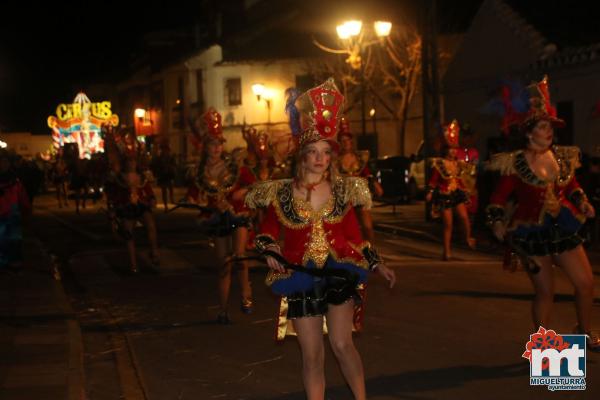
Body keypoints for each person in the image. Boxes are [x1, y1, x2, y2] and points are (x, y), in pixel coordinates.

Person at [245, 79, 396, 400]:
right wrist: (269, 247)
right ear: (301, 156)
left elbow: (355, 236)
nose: (320, 158)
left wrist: (377, 263)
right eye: (313, 152)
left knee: (342, 344)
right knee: (312, 354)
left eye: (326, 152)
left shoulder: (344, 190)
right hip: (300, 277)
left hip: (338, 273)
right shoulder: (282, 192)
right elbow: (267, 231)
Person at [486, 76, 599, 351]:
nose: (548, 130)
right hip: (531, 233)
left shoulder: (562, 157)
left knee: (586, 283)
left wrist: (581, 201)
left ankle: (584, 332)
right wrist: (497, 222)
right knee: (546, 291)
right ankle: (543, 345)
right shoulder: (515, 164)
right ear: (529, 132)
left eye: (550, 125)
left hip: (562, 226)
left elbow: (571, 184)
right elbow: (498, 199)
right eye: (542, 126)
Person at [195, 108, 256, 323]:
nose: (216, 148)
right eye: (212, 144)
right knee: (223, 265)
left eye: (219, 143)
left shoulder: (234, 165)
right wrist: (202, 203)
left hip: (237, 214)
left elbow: (252, 183)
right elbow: (196, 196)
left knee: (239, 256)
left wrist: (243, 191)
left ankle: (245, 294)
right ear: (206, 147)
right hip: (218, 220)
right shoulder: (200, 171)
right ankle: (222, 310)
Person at [425, 120, 476, 260]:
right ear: (445, 150)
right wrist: (430, 192)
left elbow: (460, 179)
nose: (453, 151)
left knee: (464, 218)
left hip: (457, 194)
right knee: (448, 224)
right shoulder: (439, 164)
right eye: (450, 149)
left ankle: (467, 237)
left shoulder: (458, 164)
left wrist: (467, 190)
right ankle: (446, 251)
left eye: (455, 149)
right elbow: (434, 180)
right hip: (444, 195)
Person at [336, 117, 383, 242]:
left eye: (348, 140)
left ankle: (370, 254)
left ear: (351, 142)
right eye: (343, 140)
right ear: (339, 143)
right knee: (346, 228)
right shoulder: (336, 160)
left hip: (360, 194)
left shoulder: (360, 157)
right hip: (344, 196)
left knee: (367, 227)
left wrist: (376, 185)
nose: (346, 142)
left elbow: (367, 173)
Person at [0, 150, 31, 270]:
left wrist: (26, 210)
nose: (3, 164)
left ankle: (14, 262)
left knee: (14, 239)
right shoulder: (14, 181)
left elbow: (22, 197)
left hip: (13, 215)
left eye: (5, 161)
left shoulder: (15, 181)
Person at [152, 141, 177, 212]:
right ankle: (166, 205)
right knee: (164, 190)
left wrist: (170, 168)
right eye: (163, 149)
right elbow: (155, 166)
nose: (165, 151)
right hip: (163, 175)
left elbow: (174, 165)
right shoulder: (159, 158)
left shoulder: (170, 157)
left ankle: (172, 199)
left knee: (170, 187)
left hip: (169, 175)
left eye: (166, 149)